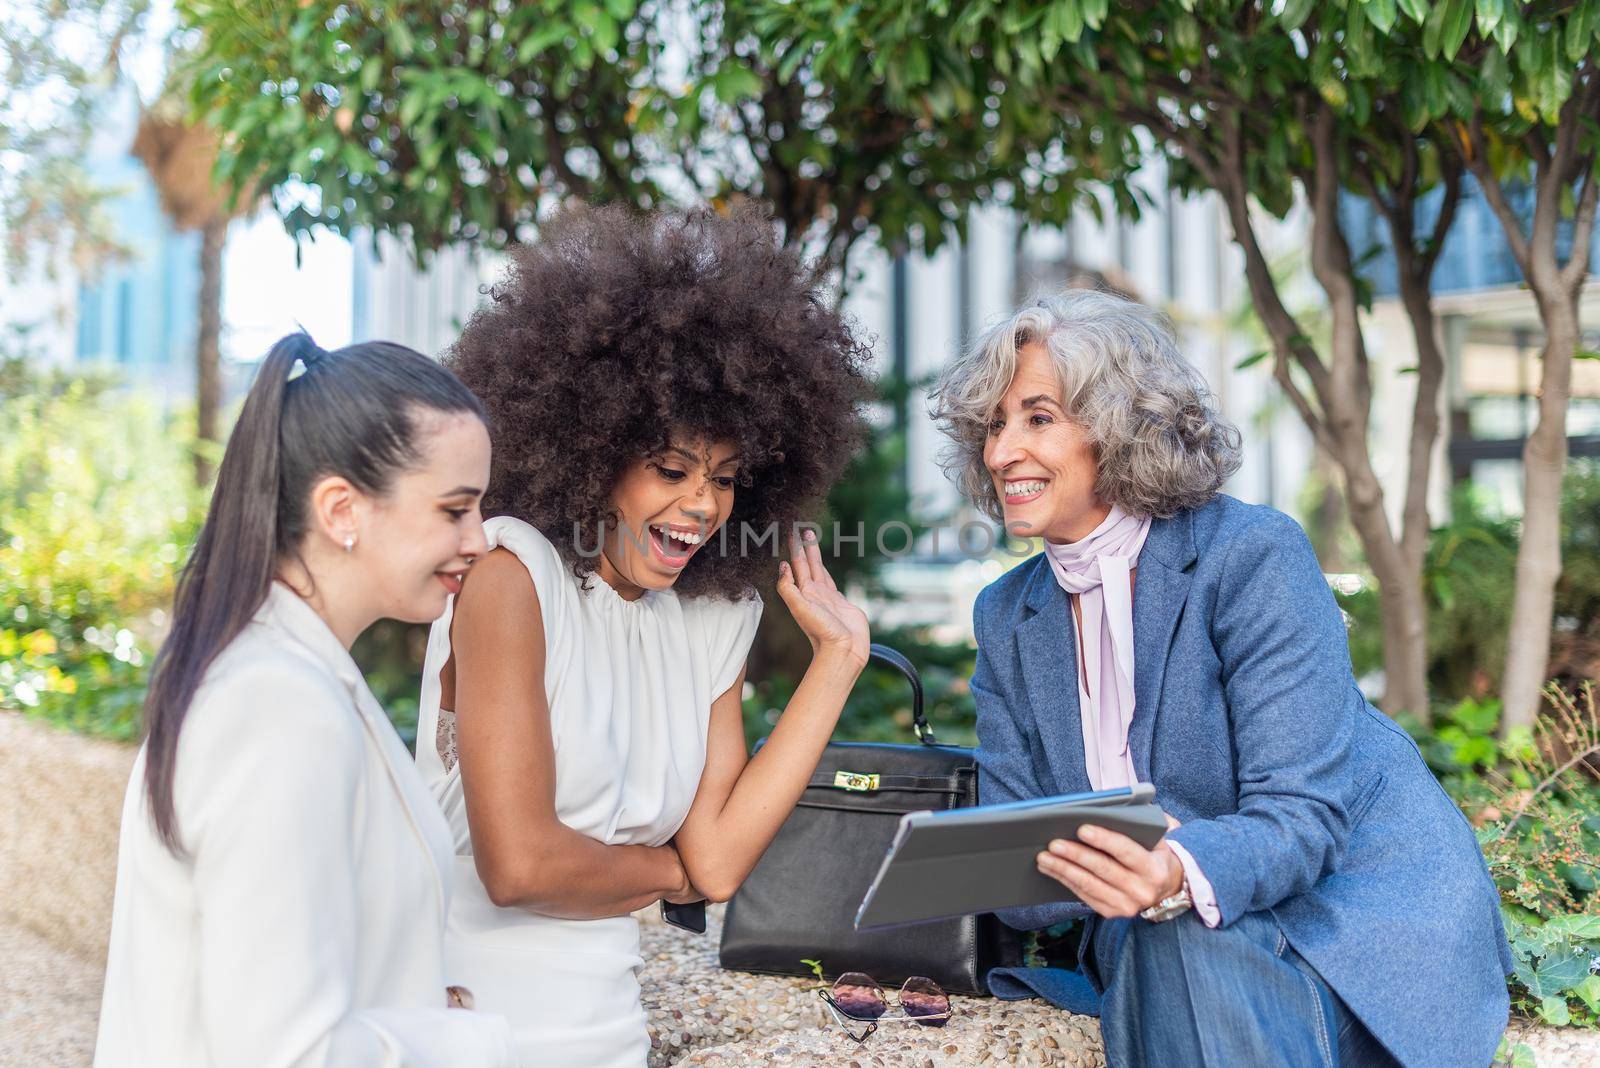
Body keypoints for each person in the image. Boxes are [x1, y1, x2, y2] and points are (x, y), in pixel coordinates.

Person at [930, 290, 1511, 1068]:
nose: (1002, 453)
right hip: (1166, 952)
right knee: (1164, 940)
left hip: (1343, 938)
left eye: (1038, 418)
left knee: (1173, 936)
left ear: (1117, 425)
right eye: (994, 425)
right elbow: (1028, 889)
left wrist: (1172, 871)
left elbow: (1302, 819)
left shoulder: (1251, 555)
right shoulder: (1008, 614)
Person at [413, 205, 872, 1066]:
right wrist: (670, 875)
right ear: (593, 453)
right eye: (671, 469)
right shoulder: (513, 579)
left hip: (608, 1033)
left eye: (726, 479)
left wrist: (838, 662)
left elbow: (722, 863)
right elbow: (519, 867)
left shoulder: (705, 619)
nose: (702, 505)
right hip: (467, 1025)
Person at [95, 333, 516, 1067]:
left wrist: (412, 998)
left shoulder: (290, 675)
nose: (479, 540)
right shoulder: (276, 706)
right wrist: (461, 1040)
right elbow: (281, 1050)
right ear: (341, 510)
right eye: (455, 509)